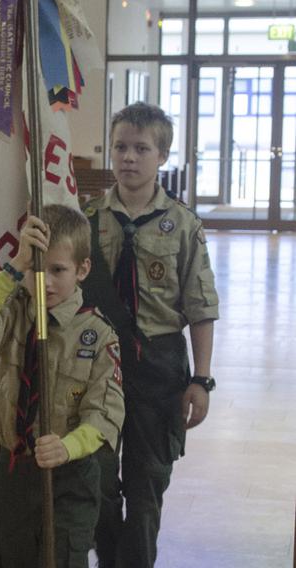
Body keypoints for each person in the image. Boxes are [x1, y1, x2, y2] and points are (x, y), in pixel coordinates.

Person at [83, 102, 220, 568]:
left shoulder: (183, 226)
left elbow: (201, 309)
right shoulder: (87, 220)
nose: (128, 158)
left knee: (146, 487)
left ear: (162, 154)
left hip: (158, 365)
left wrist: (200, 380)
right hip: (96, 363)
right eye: (121, 146)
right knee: (97, 479)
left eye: (142, 148)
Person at [0, 204, 125, 568]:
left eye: (58, 270)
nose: (45, 281)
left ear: (82, 270)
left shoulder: (97, 335)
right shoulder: (17, 310)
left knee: (61, 558)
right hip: (13, 468)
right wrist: (13, 268)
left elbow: (106, 416)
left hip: (70, 476)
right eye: (37, 269)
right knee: (10, 557)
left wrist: (67, 447)